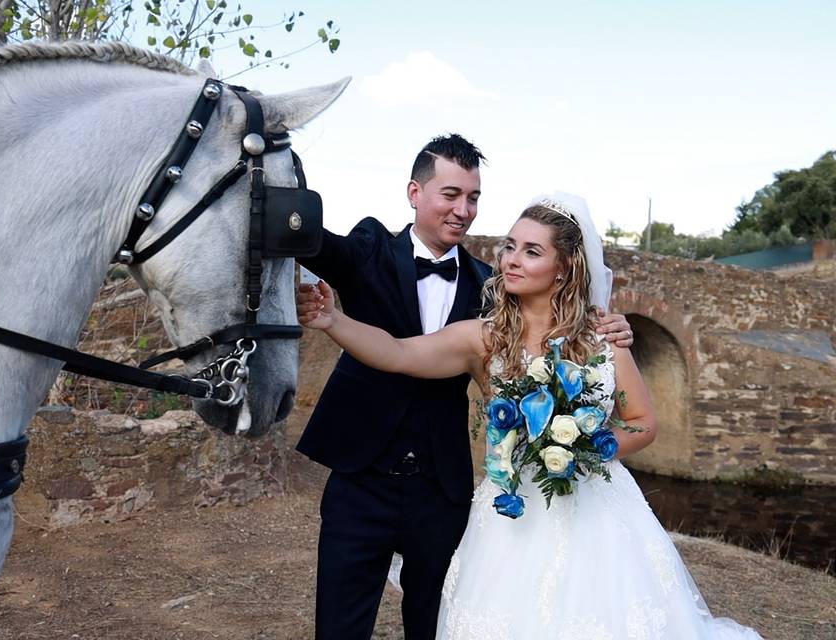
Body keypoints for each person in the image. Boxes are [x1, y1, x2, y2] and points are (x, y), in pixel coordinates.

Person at [297, 192, 764, 639]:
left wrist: (586, 446)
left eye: (531, 251)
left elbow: (642, 422)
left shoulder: (603, 337)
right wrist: (334, 321)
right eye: (510, 247)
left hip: (596, 513)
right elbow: (398, 353)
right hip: (510, 514)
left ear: (563, 269)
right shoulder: (485, 338)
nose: (512, 260)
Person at [295, 135, 634, 640]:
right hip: (359, 476)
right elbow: (320, 251)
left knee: (444, 623)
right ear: (415, 192)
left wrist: (614, 329)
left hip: (443, 487)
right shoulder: (368, 248)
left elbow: (555, 326)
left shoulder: (492, 289)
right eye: (450, 194)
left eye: (473, 197)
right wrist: (281, 203)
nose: (463, 210)